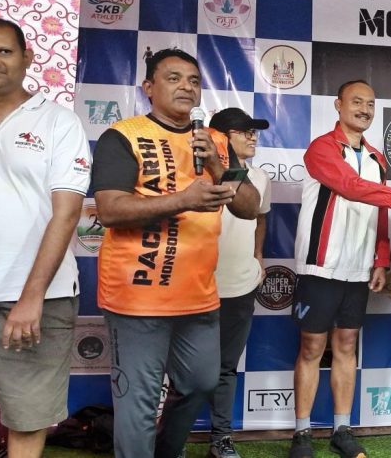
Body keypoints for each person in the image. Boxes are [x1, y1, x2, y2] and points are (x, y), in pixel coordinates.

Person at [92, 48, 261, 458]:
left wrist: (218, 167)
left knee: (201, 382)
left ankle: (166, 452)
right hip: (138, 295)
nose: (186, 86)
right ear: (148, 87)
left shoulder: (216, 141)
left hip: (198, 295)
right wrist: (183, 200)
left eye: (193, 80)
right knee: (139, 402)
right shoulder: (123, 135)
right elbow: (110, 210)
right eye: (173, 78)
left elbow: (249, 206)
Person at [290, 80, 391, 458]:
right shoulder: (321, 148)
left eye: (370, 104)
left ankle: (342, 429)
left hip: (358, 269)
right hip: (320, 266)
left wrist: (381, 259)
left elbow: (378, 212)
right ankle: (302, 433)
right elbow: (349, 186)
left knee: (347, 344)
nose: (364, 109)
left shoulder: (376, 157)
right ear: (338, 104)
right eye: (357, 102)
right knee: (312, 347)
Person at [0, 17, 90, 457]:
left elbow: (67, 213)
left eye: (3, 51)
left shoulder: (59, 122)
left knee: (27, 417)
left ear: (27, 58)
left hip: (36, 297)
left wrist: (31, 296)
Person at [206, 108, 273, 458]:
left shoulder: (260, 177)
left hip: (240, 286)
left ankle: (221, 438)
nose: (252, 137)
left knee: (226, 367)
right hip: (196, 287)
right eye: (244, 131)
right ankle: (174, 438)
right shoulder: (197, 171)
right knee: (184, 372)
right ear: (220, 137)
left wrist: (258, 256)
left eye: (254, 131)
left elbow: (260, 219)